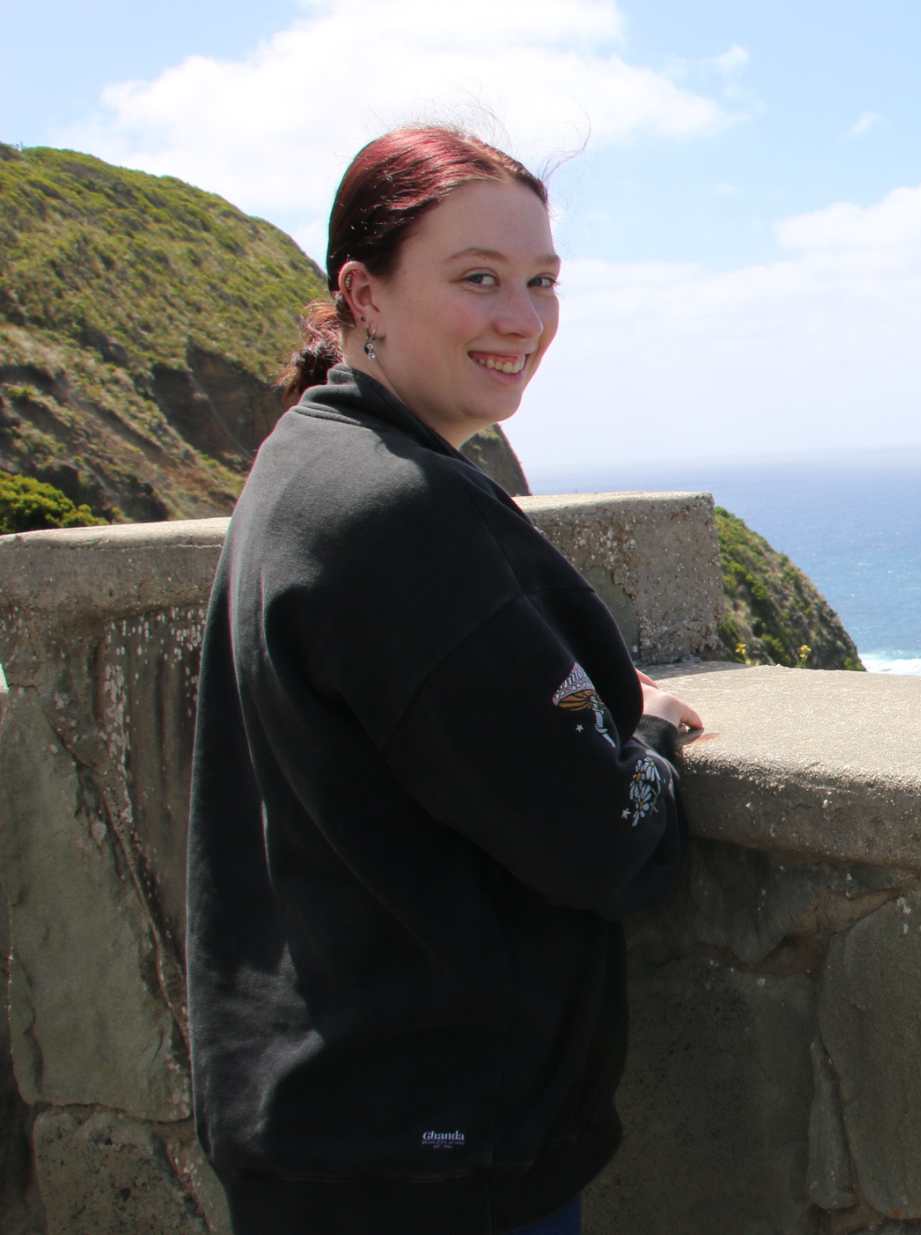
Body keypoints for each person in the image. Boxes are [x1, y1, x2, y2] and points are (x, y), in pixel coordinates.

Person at [183, 126, 702, 1235]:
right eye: (477, 279)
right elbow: (608, 841)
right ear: (362, 293)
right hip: (429, 1157)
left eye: (541, 281)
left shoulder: (302, 461)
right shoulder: (391, 512)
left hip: (328, 1121)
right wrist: (648, 732)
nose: (521, 318)